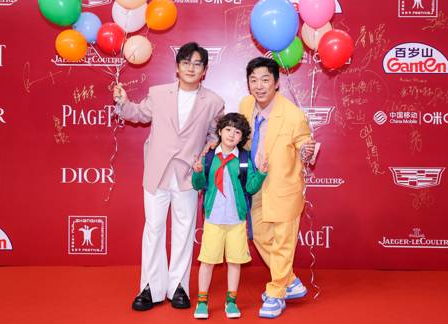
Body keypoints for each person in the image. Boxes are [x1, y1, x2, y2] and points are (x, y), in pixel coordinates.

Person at [113, 42, 225, 311]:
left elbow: (215, 134)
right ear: (177, 68)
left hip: (188, 173)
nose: (191, 67)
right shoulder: (158, 93)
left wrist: (205, 152)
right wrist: (123, 102)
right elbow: (138, 115)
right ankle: (149, 287)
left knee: (185, 230)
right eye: (186, 62)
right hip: (157, 171)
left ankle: (179, 287)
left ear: (205, 70)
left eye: (197, 64)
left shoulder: (214, 102)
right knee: (153, 229)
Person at [238, 57, 316, 319]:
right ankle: (289, 280)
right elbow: (244, 139)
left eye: (265, 80)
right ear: (248, 83)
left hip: (284, 188)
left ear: (277, 83)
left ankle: (276, 292)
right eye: (253, 80)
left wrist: (307, 150)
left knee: (283, 244)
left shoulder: (293, 115)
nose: (259, 86)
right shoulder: (246, 105)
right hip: (256, 185)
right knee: (259, 236)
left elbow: (306, 142)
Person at [191, 113, 268, 319]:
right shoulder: (208, 157)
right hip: (213, 220)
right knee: (207, 261)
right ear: (219, 131)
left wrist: (260, 173)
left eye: (237, 131)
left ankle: (231, 301)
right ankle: (202, 301)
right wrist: (198, 172)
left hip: (237, 221)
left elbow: (250, 188)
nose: (232, 134)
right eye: (228, 129)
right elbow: (199, 185)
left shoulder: (243, 159)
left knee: (234, 261)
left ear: (242, 137)